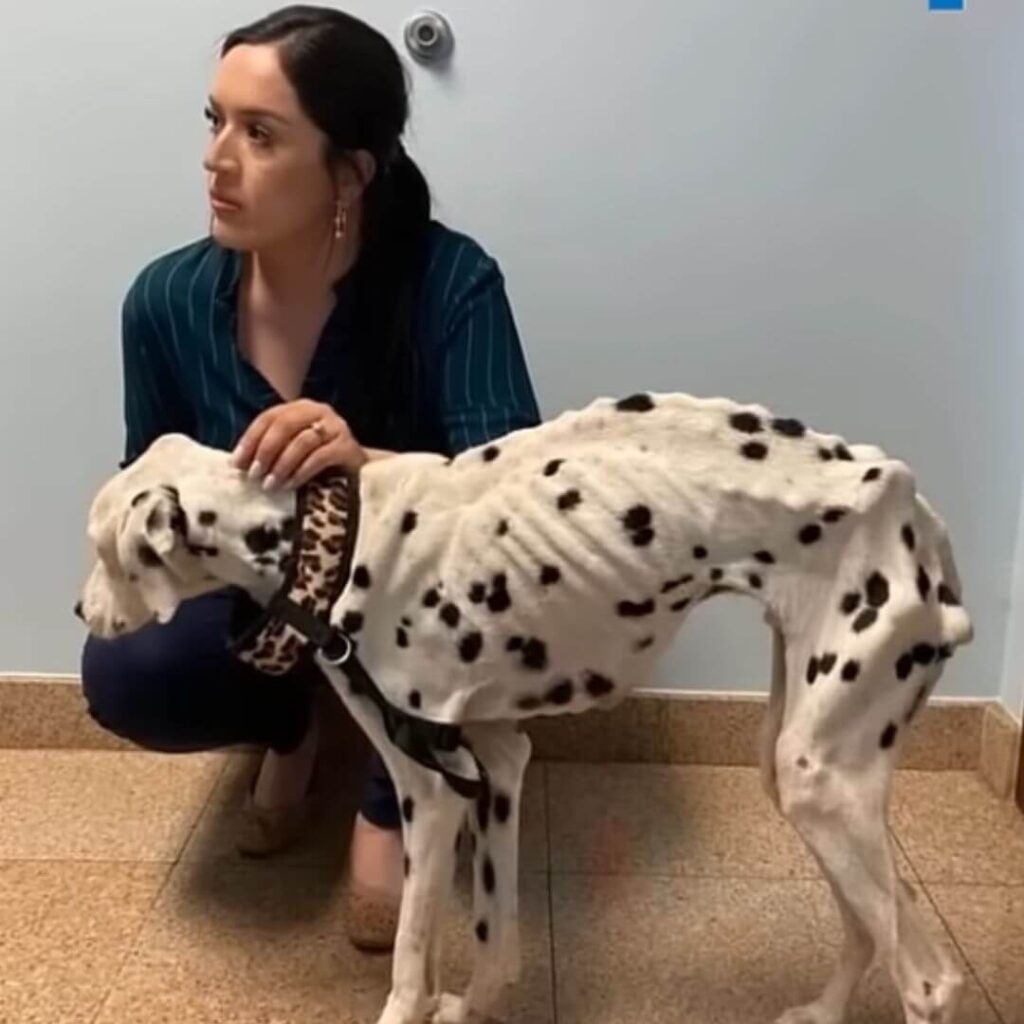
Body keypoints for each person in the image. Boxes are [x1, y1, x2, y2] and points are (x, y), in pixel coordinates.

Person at [79, 4, 541, 952]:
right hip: (262, 607)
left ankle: (389, 789)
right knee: (133, 669)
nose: (217, 158)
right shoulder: (165, 301)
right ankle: (292, 724)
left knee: (487, 605)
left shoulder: (451, 285)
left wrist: (365, 462)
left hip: (418, 609)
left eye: (260, 134)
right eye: (214, 122)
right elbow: (148, 485)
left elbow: (517, 503)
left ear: (350, 171)